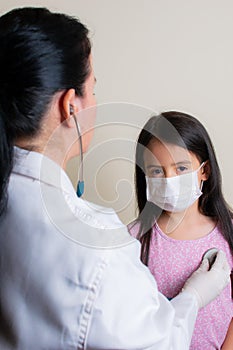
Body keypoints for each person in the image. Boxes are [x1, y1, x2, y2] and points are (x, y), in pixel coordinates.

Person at [0, 8, 230, 350]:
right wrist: (195, 296)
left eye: (181, 168)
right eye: (93, 89)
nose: (96, 101)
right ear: (71, 106)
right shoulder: (103, 246)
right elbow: (161, 342)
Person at [129, 111, 233, 349]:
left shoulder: (228, 233)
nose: (169, 179)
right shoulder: (133, 240)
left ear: (204, 171)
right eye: (156, 171)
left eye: (181, 168)